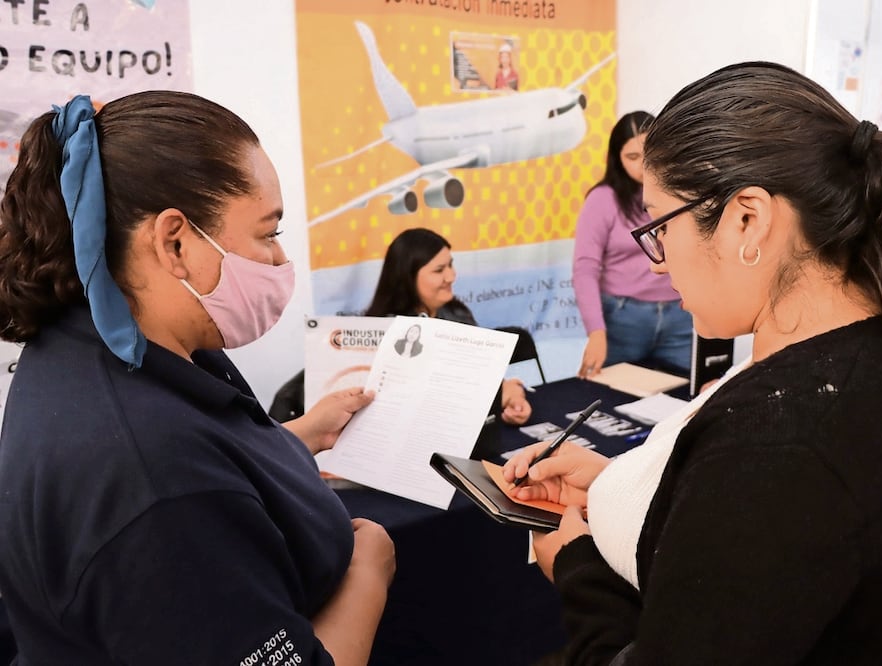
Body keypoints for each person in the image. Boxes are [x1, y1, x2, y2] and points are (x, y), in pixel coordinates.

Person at [504, 61, 882, 664]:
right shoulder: (877, 354)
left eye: (660, 226)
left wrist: (577, 567)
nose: (657, 263)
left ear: (748, 219)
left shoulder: (780, 443)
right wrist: (611, 482)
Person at [0, 92, 394, 665]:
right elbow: (185, 495)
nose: (282, 262)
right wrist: (368, 571)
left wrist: (304, 433)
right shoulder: (153, 480)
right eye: (268, 233)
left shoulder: (115, 344)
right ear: (175, 242)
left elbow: (214, 453)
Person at [366, 227, 531, 425]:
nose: (451, 276)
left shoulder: (457, 313)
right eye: (439, 270)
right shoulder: (386, 332)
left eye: (450, 265)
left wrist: (514, 397)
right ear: (407, 277)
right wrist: (502, 394)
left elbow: (481, 377)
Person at [573, 111, 693, 379]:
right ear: (617, 159)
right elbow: (584, 269)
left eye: (649, 152)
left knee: (682, 400)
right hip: (623, 318)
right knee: (614, 401)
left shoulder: (683, 194)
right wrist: (596, 331)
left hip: (680, 315)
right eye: (632, 157)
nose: (643, 164)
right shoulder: (603, 200)